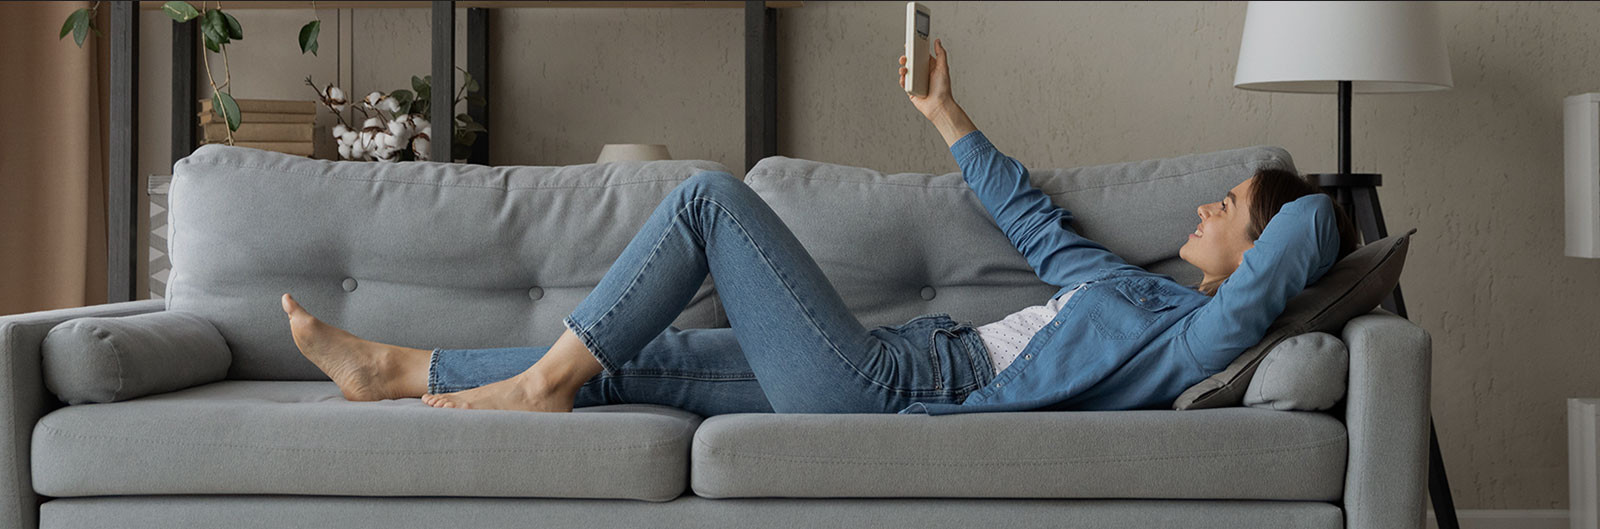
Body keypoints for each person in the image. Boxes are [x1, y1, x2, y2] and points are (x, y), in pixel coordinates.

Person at [279, 38, 1358, 416]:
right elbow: (1031, 218)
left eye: (1236, 211)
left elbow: (1314, 237)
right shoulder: (1131, 288)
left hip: (906, 391)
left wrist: (1292, 204)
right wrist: (944, 112)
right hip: (894, 358)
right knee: (646, 357)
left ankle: (533, 384)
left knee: (708, 199)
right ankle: (399, 369)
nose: (1213, 203)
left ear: (1258, 257)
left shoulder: (1194, 335)